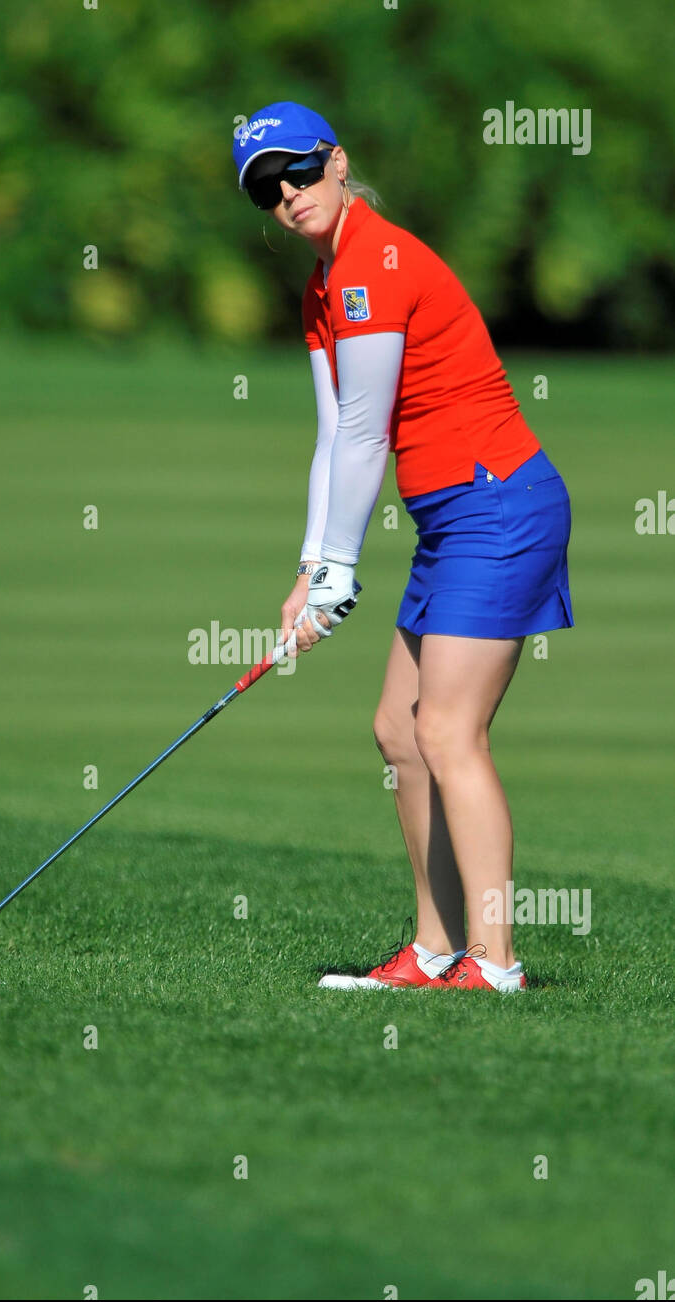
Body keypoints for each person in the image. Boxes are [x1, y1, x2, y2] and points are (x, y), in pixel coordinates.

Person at [232, 102, 574, 993]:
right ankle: (431, 950)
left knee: (448, 729)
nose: (289, 193)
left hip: (499, 505)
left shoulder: (376, 261)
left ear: (339, 162)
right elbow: (327, 434)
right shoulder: (323, 285)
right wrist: (311, 570)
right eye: (268, 188)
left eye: (300, 170)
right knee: (399, 730)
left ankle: (495, 962)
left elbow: (362, 428)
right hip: (453, 520)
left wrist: (341, 571)